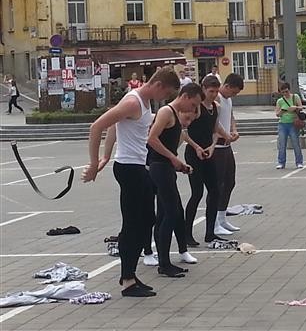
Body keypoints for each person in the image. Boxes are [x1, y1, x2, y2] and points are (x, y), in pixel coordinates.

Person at [82, 66, 180, 298]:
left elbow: (115, 126)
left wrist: (106, 157)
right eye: (166, 94)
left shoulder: (144, 103)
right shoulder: (133, 102)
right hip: (129, 169)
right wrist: (95, 163)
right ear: (158, 85)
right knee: (135, 224)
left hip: (136, 167)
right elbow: (97, 126)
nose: (165, 99)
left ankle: (130, 275)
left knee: (145, 221)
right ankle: (127, 280)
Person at [147, 84, 203, 277]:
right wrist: (173, 158)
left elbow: (168, 144)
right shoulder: (166, 112)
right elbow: (152, 139)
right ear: (185, 96)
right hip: (159, 167)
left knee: (167, 213)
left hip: (166, 167)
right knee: (171, 213)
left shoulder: (175, 116)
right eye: (193, 104)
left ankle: (165, 261)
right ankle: (164, 263)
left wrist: (179, 164)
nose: (193, 109)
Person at [182, 75, 235, 245]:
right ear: (203, 89)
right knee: (197, 193)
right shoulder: (195, 108)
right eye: (210, 91)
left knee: (215, 191)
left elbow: (215, 129)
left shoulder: (216, 107)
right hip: (193, 153)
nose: (213, 94)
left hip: (208, 153)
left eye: (216, 91)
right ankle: (187, 234)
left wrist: (213, 145)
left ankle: (210, 232)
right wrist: (196, 147)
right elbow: (184, 131)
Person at [212, 73, 243, 236]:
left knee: (230, 181)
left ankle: (222, 217)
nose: (234, 95)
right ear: (227, 86)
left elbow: (230, 116)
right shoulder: (216, 98)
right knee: (218, 185)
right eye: (233, 92)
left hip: (227, 146)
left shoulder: (228, 100)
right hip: (217, 146)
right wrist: (225, 135)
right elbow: (214, 123)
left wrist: (234, 130)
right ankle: (214, 222)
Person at [275, 82, 304, 170]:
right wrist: (282, 111)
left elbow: (301, 107)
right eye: (283, 92)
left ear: (289, 90)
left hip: (293, 123)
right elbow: (277, 114)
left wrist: (295, 107)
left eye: (286, 91)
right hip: (283, 124)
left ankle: (299, 162)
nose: (285, 94)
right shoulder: (280, 101)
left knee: (295, 143)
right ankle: (281, 162)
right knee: (282, 144)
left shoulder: (295, 97)